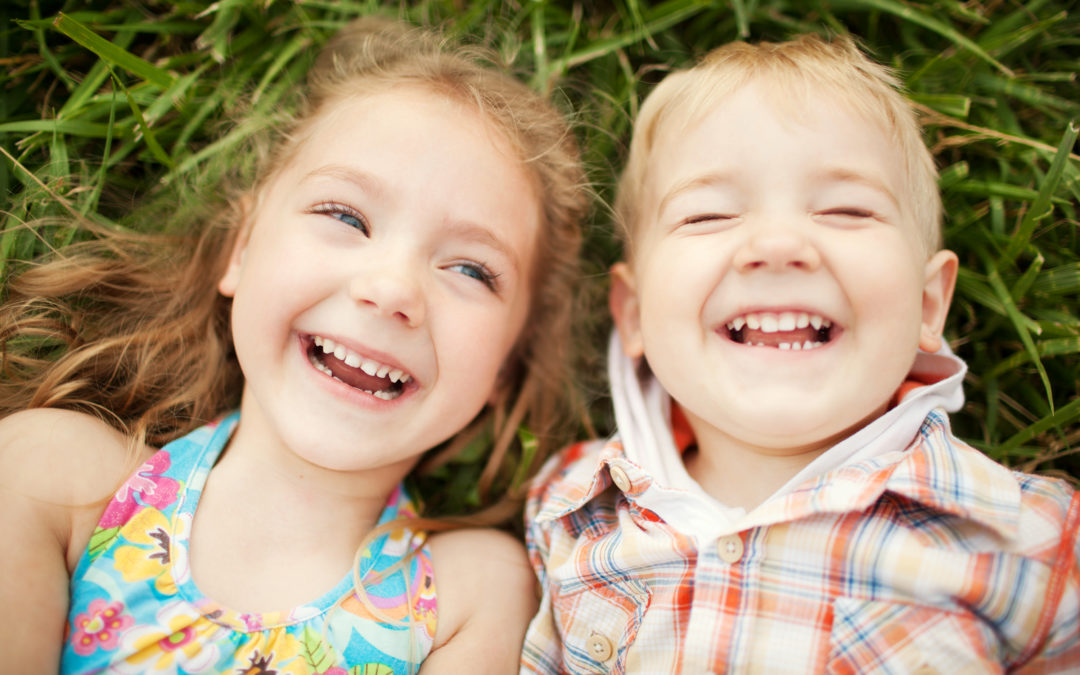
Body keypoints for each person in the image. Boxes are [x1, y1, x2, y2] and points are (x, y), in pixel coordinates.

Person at [0, 16, 587, 674]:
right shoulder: (53, 479)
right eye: (344, 216)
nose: (392, 287)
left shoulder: (468, 595)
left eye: (471, 270)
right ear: (241, 249)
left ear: (506, 366)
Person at [521, 35, 1079, 673]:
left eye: (846, 210)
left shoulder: (1033, 536)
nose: (779, 243)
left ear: (928, 306)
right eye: (708, 216)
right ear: (634, 313)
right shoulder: (565, 508)